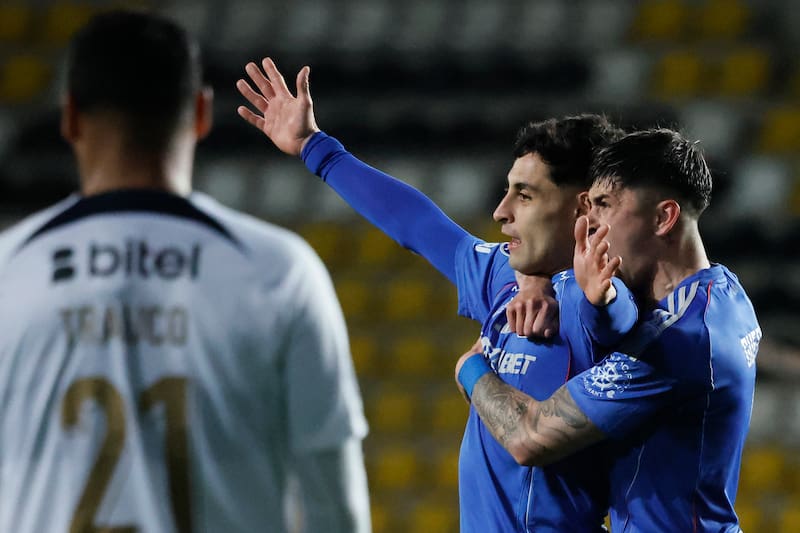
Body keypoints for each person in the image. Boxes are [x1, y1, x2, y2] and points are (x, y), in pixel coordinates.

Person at [0, 11, 370, 533]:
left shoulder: (9, 270)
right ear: (200, 113)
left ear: (70, 118)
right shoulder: (278, 273)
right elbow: (335, 510)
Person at [237, 58, 639, 531]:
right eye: (507, 191)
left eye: (525, 195)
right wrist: (313, 146)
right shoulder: (502, 278)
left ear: (583, 208)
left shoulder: (611, 299)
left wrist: (557, 297)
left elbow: (615, 312)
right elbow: (416, 223)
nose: (500, 211)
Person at [456, 129, 761, 531]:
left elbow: (529, 436)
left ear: (663, 218)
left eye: (604, 205)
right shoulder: (726, 294)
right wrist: (537, 281)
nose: (588, 223)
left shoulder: (674, 343)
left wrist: (471, 367)